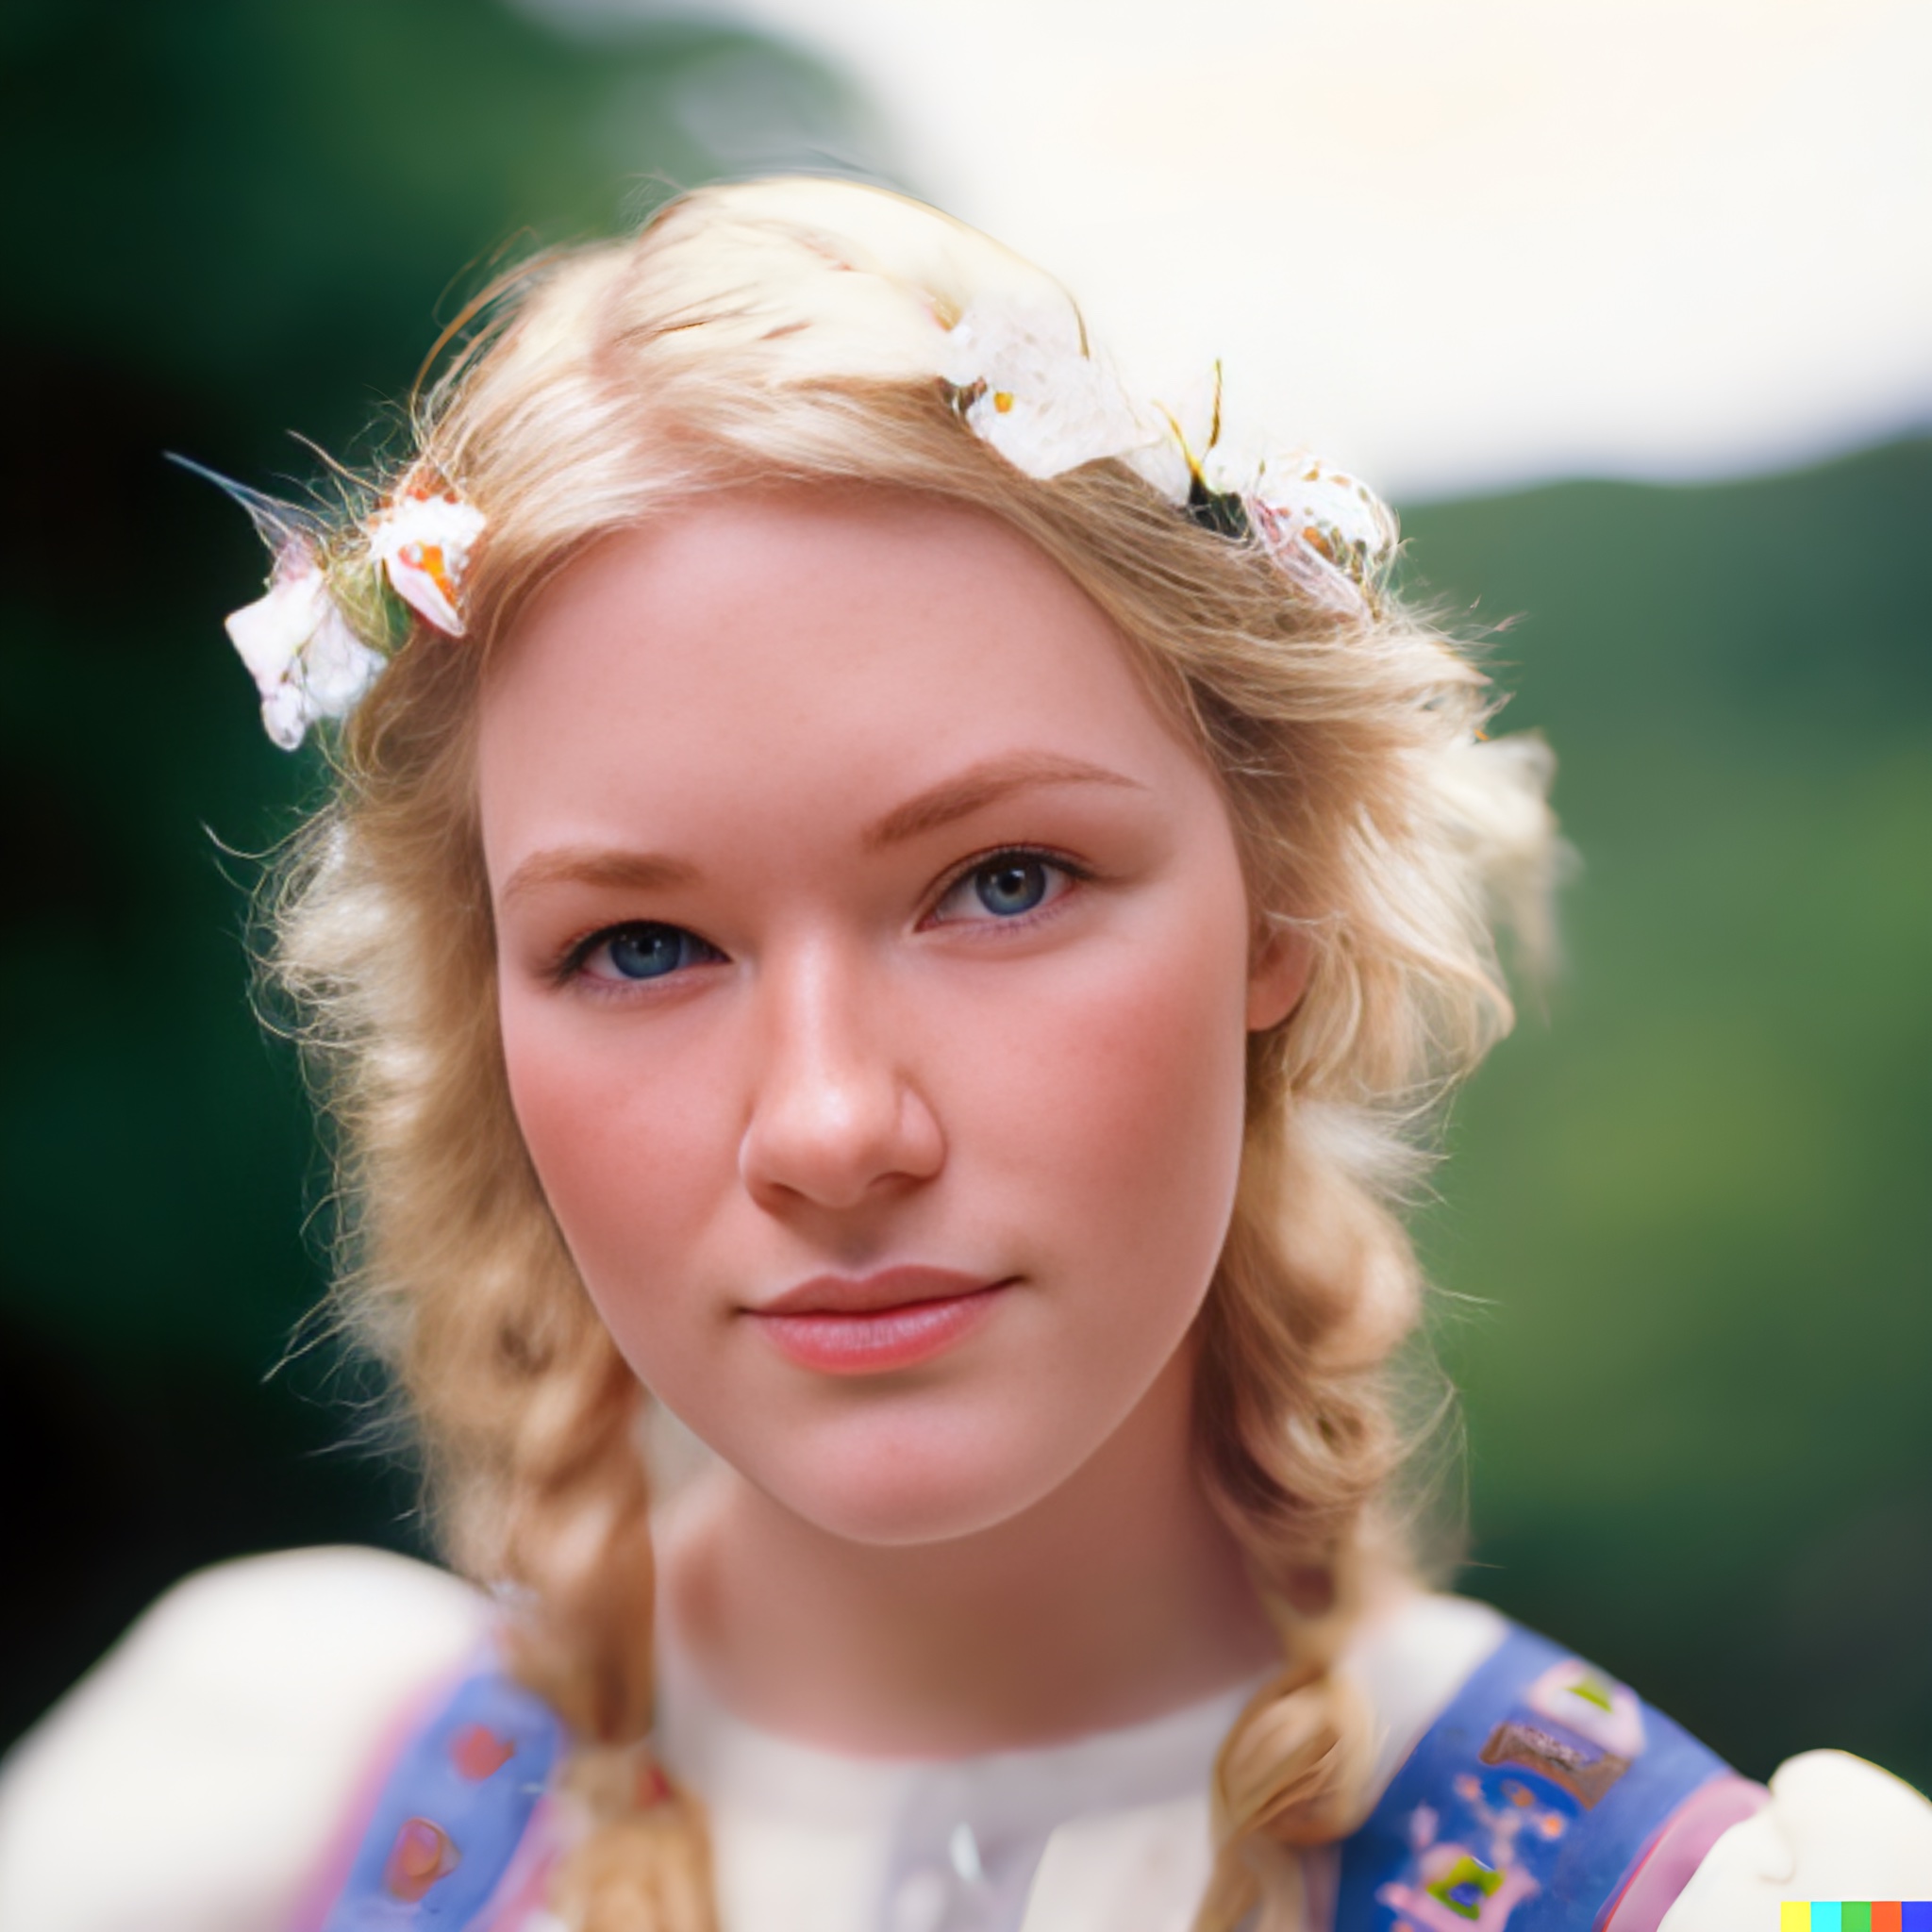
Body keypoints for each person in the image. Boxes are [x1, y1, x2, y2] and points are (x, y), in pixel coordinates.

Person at [0, 176, 1925, 1932]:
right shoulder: (241, 1798)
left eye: (1004, 881)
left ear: (1279, 909)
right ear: (483, 1018)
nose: (833, 1126)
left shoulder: (1739, 1902)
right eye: (639, 944)